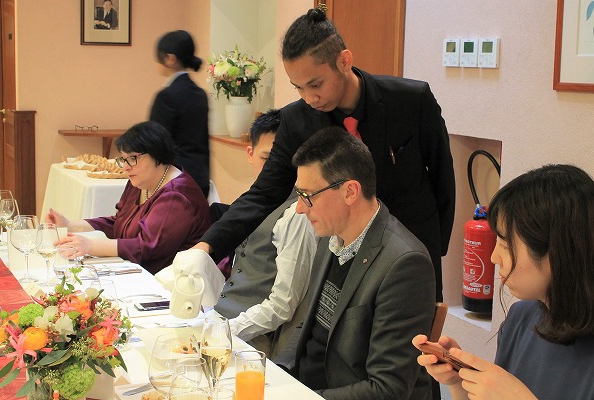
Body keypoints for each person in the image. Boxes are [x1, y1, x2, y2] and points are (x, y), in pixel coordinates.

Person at [190, 5, 455, 305]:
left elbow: (443, 180)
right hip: (340, 255)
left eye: (315, 84)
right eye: (299, 88)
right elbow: (263, 194)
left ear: (344, 61)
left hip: (412, 248)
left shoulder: (410, 101)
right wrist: (207, 246)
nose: (309, 97)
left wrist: (435, 248)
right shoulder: (296, 121)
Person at [413, 164, 594, 400]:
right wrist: (459, 380)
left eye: (506, 245)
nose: (493, 258)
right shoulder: (521, 319)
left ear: (557, 253)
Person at [289, 127, 435, 399]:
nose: (299, 208)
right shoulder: (330, 235)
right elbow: (310, 341)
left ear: (350, 191)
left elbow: (387, 389)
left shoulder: (404, 265)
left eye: (308, 196)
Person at [212, 109, 317, 356]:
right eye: (268, 158)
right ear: (249, 154)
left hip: (255, 339)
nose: (277, 169)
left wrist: (226, 331)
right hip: (221, 318)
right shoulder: (248, 202)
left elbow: (282, 306)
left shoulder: (297, 213)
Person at [46, 121, 211, 275]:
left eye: (132, 158)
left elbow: (146, 247)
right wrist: (70, 225)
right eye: (123, 159)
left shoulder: (176, 196)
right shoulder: (140, 182)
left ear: (157, 154)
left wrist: (90, 246)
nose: (126, 167)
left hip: (172, 279)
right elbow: (119, 222)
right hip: (136, 269)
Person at [149, 30, 210, 197]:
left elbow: (156, 145)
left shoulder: (166, 96)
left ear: (170, 59)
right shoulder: (200, 94)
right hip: (200, 177)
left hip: (174, 181)